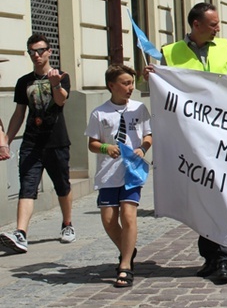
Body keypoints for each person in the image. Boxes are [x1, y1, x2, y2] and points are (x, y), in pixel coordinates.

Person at [145, 2, 227, 283]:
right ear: (196, 25)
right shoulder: (170, 52)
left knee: (220, 194)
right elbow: (160, 88)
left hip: (221, 134)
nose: (217, 28)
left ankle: (222, 258)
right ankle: (209, 256)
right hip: (190, 137)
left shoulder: (223, 47)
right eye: (212, 24)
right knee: (201, 194)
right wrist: (148, 75)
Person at [0, 34, 75, 254]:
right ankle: (21, 233)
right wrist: (6, 141)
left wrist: (55, 85)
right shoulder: (24, 82)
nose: (36, 55)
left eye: (40, 50)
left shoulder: (61, 76)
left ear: (49, 51)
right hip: (32, 142)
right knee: (27, 187)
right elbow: (18, 114)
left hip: (56, 141)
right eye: (32, 51)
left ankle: (67, 224)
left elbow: (61, 101)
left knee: (62, 185)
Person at [85, 65, 152, 288]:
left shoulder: (139, 109)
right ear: (111, 86)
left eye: (131, 83)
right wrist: (106, 148)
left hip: (132, 171)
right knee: (109, 220)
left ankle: (125, 266)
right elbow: (92, 144)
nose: (130, 88)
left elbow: (148, 135)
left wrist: (142, 148)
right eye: (125, 83)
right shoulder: (99, 113)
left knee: (128, 214)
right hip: (108, 174)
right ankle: (127, 248)